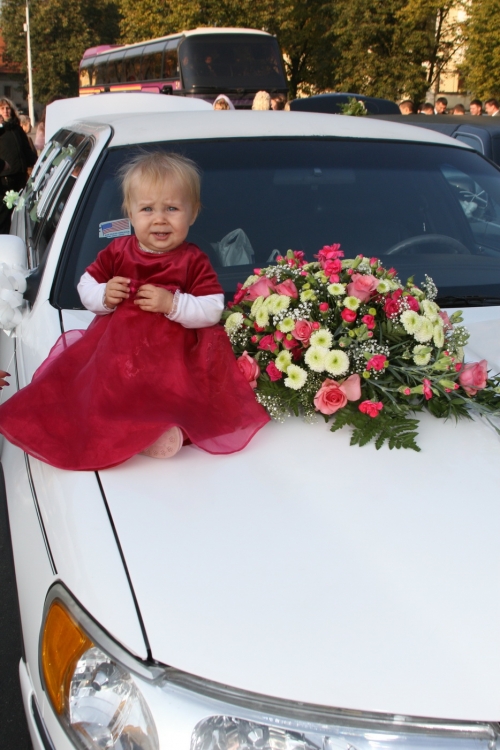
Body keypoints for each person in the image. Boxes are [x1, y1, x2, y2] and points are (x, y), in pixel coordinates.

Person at [0, 152, 270, 470]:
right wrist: (104, 295)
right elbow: (86, 286)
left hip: (172, 359)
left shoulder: (192, 260)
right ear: (130, 212)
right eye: (147, 209)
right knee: (106, 394)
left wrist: (172, 303)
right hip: (119, 353)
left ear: (193, 213)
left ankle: (156, 432)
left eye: (172, 208)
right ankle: (122, 433)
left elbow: (211, 308)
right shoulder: (118, 251)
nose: (160, 219)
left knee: (174, 397)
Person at [0, 98, 37, 233]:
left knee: (22, 213)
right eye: (2, 108)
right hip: (5, 180)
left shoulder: (16, 128)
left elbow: (26, 149)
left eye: (8, 108)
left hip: (20, 177)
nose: (6, 111)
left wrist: (35, 163)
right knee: (4, 217)